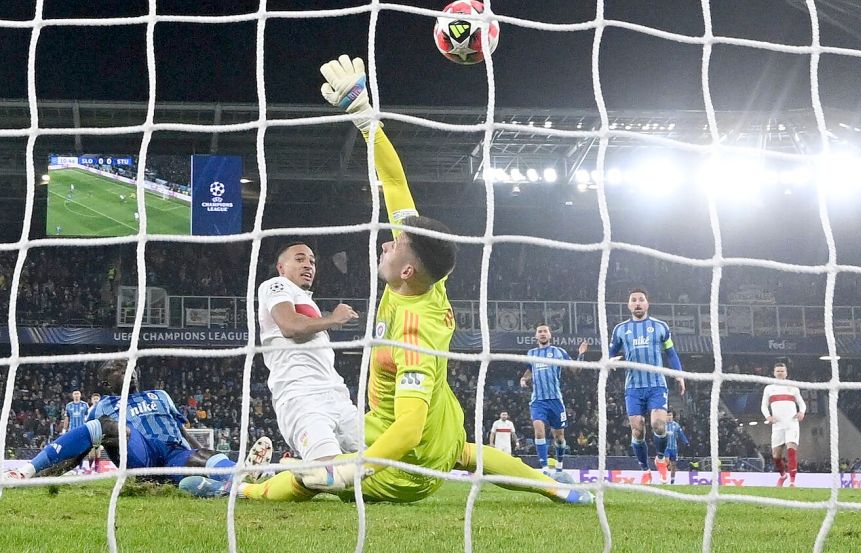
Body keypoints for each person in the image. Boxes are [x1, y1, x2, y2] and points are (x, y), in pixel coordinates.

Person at [181, 55, 591, 505]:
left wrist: (351, 472)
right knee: (470, 453)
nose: (385, 245)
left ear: (407, 269)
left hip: (405, 465)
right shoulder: (426, 280)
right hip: (439, 422)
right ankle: (555, 487)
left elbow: (409, 428)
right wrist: (363, 114)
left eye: (394, 246)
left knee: (319, 476)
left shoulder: (415, 327)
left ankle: (242, 488)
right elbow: (395, 182)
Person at [188, 240, 360, 498]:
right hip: (301, 396)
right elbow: (290, 326)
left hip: (338, 396)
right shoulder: (275, 286)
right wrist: (333, 319)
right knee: (328, 475)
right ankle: (242, 488)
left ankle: (259, 476)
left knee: (380, 464)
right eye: (300, 259)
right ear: (281, 267)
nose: (308, 265)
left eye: (312, 261)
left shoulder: (307, 303)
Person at [4, 361, 261, 488]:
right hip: (140, 455)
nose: (129, 370)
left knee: (203, 456)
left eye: (130, 366)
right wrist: (51, 472)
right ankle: (25, 471)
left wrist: (200, 453)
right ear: (106, 384)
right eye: (119, 368)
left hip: (173, 454)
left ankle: (240, 482)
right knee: (109, 427)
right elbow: (82, 444)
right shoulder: (103, 405)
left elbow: (182, 430)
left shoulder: (160, 395)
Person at [608, 287, 685, 483]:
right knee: (637, 430)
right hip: (633, 387)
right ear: (629, 305)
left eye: (641, 299)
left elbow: (671, 353)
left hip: (657, 384)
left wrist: (679, 376)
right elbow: (610, 354)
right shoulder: (620, 329)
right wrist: (610, 362)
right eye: (633, 300)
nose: (638, 303)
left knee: (659, 426)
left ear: (647, 303)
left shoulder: (660, 327)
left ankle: (660, 459)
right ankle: (644, 470)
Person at [519, 324, 587, 473]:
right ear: (536, 336)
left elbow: (575, 370)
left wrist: (581, 354)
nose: (542, 334)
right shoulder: (531, 353)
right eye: (539, 332)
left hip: (555, 400)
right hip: (538, 401)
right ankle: (544, 468)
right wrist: (524, 379)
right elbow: (530, 371)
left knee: (559, 437)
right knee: (538, 430)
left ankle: (560, 465)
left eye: (545, 331)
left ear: (550, 335)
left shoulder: (558, 352)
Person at [760, 361, 806, 487]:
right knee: (776, 456)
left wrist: (801, 412)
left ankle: (792, 481)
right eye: (778, 371)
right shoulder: (769, 389)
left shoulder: (793, 387)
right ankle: (783, 475)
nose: (780, 373)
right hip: (777, 426)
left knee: (791, 450)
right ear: (774, 373)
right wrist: (768, 416)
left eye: (782, 371)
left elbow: (802, 403)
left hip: (792, 424)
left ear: (786, 373)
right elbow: (764, 406)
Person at [663, 410, 689, 485]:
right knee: (667, 461)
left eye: (670, 415)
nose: (669, 417)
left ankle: (672, 480)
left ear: (672, 416)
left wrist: (686, 442)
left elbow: (681, 434)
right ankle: (664, 476)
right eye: (667, 415)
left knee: (673, 465)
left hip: (674, 448)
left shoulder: (676, 425)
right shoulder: (663, 425)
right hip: (666, 448)